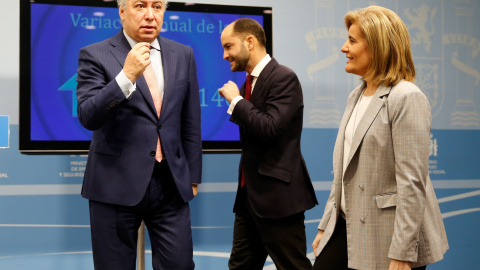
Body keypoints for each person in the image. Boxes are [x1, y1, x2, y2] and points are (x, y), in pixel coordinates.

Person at [311, 6, 448, 270]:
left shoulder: (406, 97)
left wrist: (402, 252)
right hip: (346, 225)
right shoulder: (355, 96)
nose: (343, 48)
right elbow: (343, 175)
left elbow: (412, 183)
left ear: (377, 47)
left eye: (352, 41)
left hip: (387, 236)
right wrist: (326, 227)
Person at [76, 0, 202, 269]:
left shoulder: (183, 54)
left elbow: (190, 121)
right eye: (140, 6)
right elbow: (88, 115)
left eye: (157, 7)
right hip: (114, 183)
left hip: (171, 183)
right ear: (122, 12)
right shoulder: (94, 54)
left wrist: (192, 175)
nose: (149, 15)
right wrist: (126, 76)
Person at [217, 18, 318, 270]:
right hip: (249, 199)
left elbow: (270, 128)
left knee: (293, 266)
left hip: (278, 200)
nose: (224, 55)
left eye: (229, 47)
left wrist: (237, 101)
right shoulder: (249, 82)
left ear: (249, 42)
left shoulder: (284, 77)